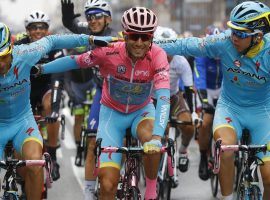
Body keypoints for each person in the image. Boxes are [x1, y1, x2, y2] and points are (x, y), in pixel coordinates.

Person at [39, 7, 170, 200]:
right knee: (107, 185)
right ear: (125, 35)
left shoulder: (158, 55)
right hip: (112, 115)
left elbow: (164, 98)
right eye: (134, 36)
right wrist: (40, 69)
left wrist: (158, 137)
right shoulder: (109, 52)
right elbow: (75, 61)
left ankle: (151, 189)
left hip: (141, 112)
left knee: (152, 142)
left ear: (152, 37)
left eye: (146, 37)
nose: (140, 43)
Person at [155, 1, 270, 199]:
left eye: (241, 34)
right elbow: (185, 45)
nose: (234, 37)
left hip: (263, 112)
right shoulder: (224, 41)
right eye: (232, 30)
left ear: (258, 36)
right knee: (225, 149)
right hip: (230, 109)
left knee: (268, 176)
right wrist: (146, 41)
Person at [0, 21, 99, 199]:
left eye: (3, 57)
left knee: (36, 164)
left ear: (11, 48)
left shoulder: (25, 53)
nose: (0, 64)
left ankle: (51, 155)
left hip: (23, 122)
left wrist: (90, 39)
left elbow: (54, 41)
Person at [61, 0, 119, 199]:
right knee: (93, 141)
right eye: (89, 16)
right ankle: (88, 191)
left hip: (126, 96)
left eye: (98, 16)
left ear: (108, 18)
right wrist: (67, 15)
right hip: (102, 93)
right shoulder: (88, 34)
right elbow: (72, 25)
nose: (93, 20)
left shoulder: (118, 36)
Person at [15, 10, 65, 181]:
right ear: (27, 30)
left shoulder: (54, 46)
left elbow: (59, 76)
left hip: (46, 88)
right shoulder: (19, 47)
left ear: (47, 29)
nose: (38, 31)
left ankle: (53, 155)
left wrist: (55, 110)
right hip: (24, 90)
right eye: (33, 27)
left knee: (51, 106)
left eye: (42, 27)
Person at [154, 26, 199, 176]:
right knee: (160, 130)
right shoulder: (148, 59)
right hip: (152, 99)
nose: (166, 53)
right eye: (162, 48)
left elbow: (188, 88)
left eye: (170, 48)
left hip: (173, 97)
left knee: (188, 125)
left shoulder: (181, 61)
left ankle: (183, 150)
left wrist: (193, 112)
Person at [194, 25, 223, 181]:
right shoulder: (202, 53)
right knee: (206, 123)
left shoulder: (228, 53)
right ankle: (203, 156)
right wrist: (206, 102)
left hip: (222, 88)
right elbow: (200, 78)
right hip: (206, 90)